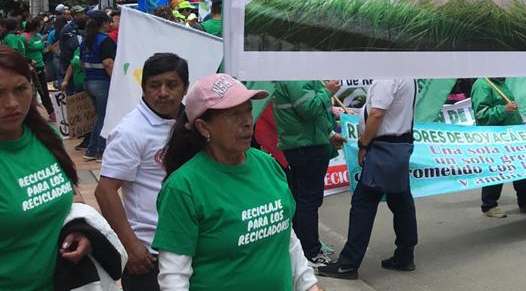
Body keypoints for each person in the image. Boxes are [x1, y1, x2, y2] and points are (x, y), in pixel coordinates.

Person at [152, 73, 322, 291]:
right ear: (204, 128)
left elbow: (286, 236)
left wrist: (308, 284)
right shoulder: (184, 187)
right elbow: (174, 278)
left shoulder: (266, 164)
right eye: (234, 115)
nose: (247, 122)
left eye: (248, 110)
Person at [0, 47, 101, 290]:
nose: (12, 103)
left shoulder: (48, 137)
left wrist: (79, 231)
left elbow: (68, 197)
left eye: (21, 89)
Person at [95, 53, 188, 291]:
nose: (163, 92)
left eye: (172, 84)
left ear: (185, 87)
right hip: (150, 254)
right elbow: (105, 191)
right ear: (144, 88)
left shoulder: (192, 122)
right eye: (155, 85)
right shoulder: (130, 131)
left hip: (188, 246)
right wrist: (131, 245)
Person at [320, 78, 419, 280]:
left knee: (363, 204)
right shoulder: (406, 74)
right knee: (401, 201)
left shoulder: (388, 76)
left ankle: (348, 265)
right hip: (397, 147)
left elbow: (376, 114)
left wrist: (364, 145)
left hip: (384, 149)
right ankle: (405, 255)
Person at [271, 79, 343, 267]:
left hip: (306, 143)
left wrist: (329, 134)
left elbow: (314, 116)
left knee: (303, 199)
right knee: (308, 201)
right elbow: (309, 109)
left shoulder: (296, 74)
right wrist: (327, 92)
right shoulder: (296, 75)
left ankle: (302, 246)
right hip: (306, 146)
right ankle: (310, 252)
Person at [472, 76, 526, 218]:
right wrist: (504, 109)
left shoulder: (500, 83)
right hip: (496, 138)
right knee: (497, 170)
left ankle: (525, 200)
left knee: (520, 169)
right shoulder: (482, 85)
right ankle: (489, 205)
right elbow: (482, 115)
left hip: (511, 135)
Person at [81, 10, 116, 162]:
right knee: (104, 117)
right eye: (109, 22)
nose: (111, 24)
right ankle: (101, 152)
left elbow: (82, 63)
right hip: (102, 83)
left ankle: (91, 150)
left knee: (99, 117)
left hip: (88, 82)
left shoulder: (86, 40)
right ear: (103, 23)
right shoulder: (105, 41)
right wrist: (116, 81)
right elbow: (108, 63)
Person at [21, 18, 54, 117]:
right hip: (30, 69)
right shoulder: (23, 38)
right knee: (30, 91)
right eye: (40, 25)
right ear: (36, 27)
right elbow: (20, 53)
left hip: (40, 66)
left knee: (43, 90)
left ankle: (51, 112)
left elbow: (43, 50)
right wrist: (28, 63)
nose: (41, 27)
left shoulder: (38, 36)